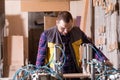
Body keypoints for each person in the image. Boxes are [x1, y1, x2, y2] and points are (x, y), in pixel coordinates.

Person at [36, 11, 110, 80]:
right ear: (57, 23)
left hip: (75, 72)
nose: (66, 31)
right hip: (55, 75)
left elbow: (91, 47)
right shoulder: (47, 35)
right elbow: (41, 56)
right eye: (63, 28)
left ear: (72, 23)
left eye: (69, 28)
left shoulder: (78, 32)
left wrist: (104, 60)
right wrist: (39, 72)